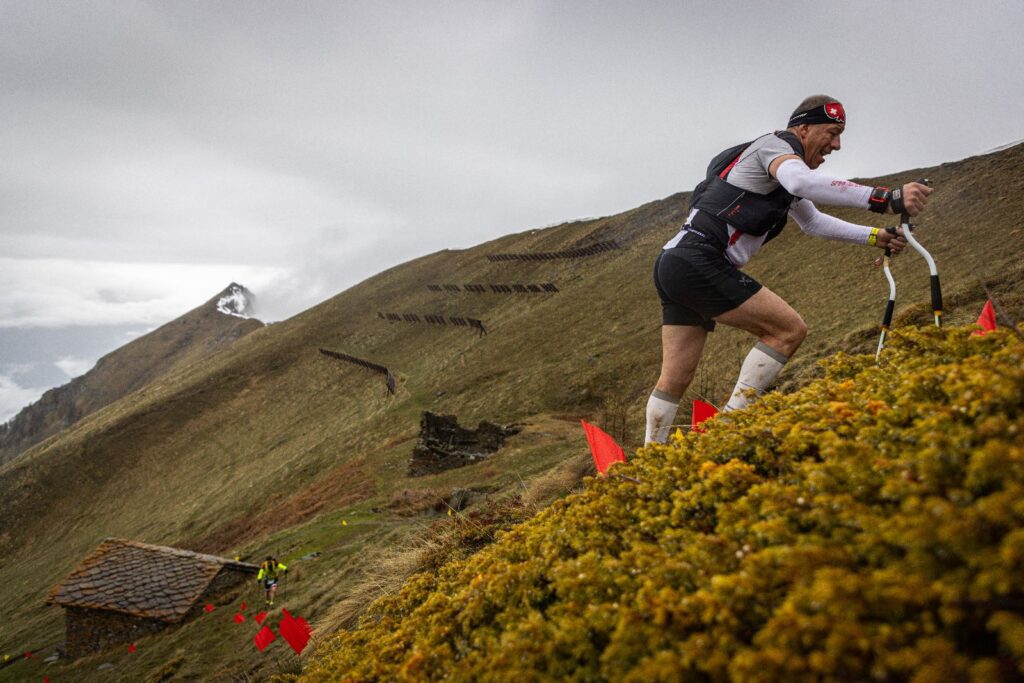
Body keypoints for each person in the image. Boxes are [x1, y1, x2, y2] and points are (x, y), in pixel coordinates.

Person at [645, 95, 932, 443]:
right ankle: (727, 432)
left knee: (675, 378)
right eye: (832, 132)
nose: (836, 145)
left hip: (674, 262)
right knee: (788, 331)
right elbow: (800, 183)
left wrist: (876, 237)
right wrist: (885, 198)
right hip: (697, 260)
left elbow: (813, 222)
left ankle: (650, 458)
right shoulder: (774, 148)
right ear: (804, 128)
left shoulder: (781, 172)